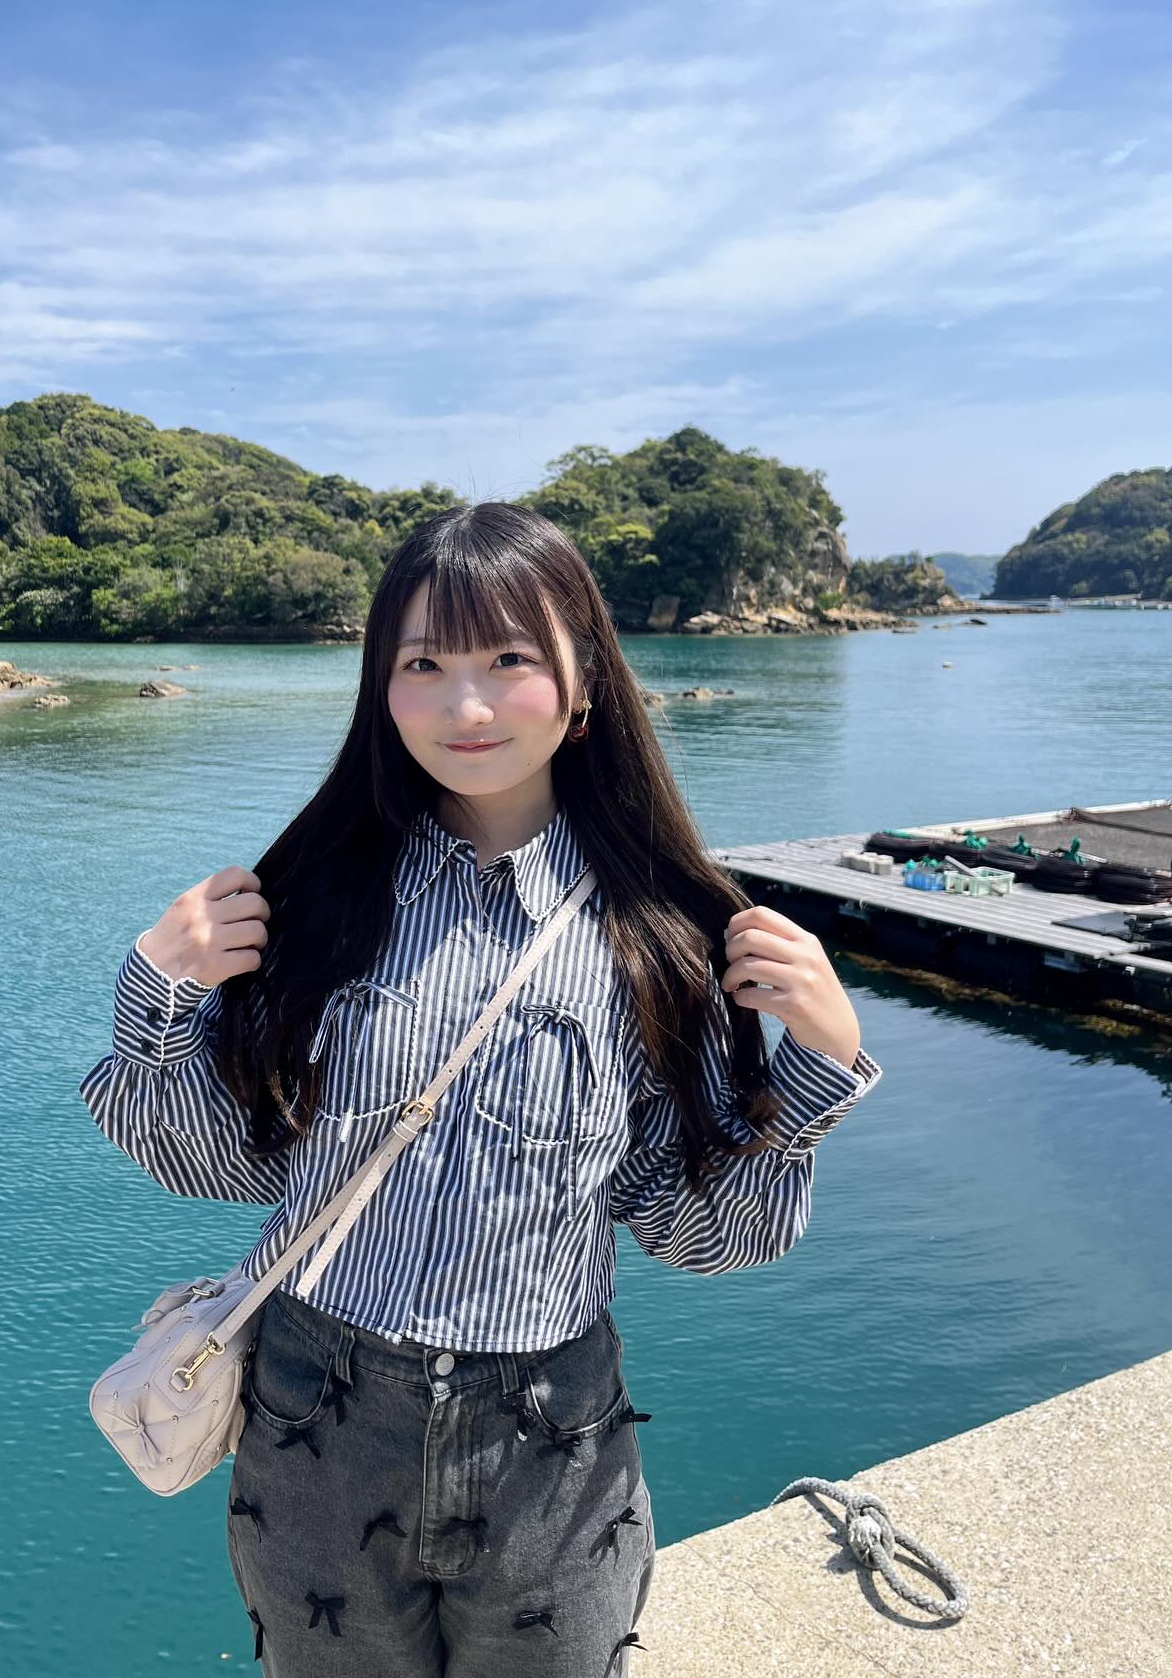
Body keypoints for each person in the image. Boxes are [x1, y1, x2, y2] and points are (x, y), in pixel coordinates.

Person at [79, 500, 883, 1677]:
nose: (466, 706)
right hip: (316, 1413)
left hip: (552, 1437)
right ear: (381, 687)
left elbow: (700, 1230)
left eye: (510, 659)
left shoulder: (662, 936)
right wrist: (156, 993)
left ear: (585, 679)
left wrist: (816, 1065)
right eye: (423, 665)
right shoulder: (317, 904)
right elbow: (225, 1163)